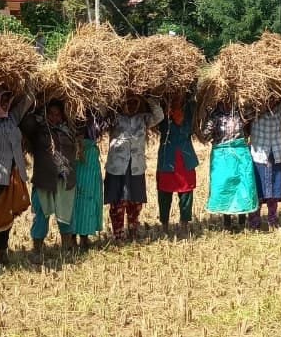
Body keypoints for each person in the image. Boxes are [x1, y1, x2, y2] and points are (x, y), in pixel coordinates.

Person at [0, 88, 32, 265]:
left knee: (8, 216)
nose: (6, 104)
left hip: (13, 175)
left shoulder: (12, 119)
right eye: (2, 100)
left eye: (8, 101)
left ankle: (4, 252)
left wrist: (29, 81)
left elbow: (27, 100)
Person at [21, 99, 79, 262]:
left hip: (65, 180)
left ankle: (67, 249)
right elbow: (25, 123)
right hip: (44, 180)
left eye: (57, 114)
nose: (54, 118)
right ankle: (37, 250)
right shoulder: (38, 130)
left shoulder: (68, 130)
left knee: (67, 214)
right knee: (41, 215)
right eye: (50, 114)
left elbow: (83, 121)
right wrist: (38, 105)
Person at [105, 95, 164, 242]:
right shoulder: (114, 118)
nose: (131, 106)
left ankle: (133, 232)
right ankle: (118, 235)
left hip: (136, 167)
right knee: (117, 202)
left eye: (134, 102)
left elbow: (160, 116)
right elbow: (101, 113)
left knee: (135, 202)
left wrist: (148, 97)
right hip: (117, 167)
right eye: (128, 102)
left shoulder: (143, 119)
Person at [201, 99, 257, 229]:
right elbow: (205, 136)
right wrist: (211, 121)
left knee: (243, 185)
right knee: (224, 186)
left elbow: (255, 114)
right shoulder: (214, 114)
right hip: (222, 156)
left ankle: (242, 222)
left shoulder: (240, 111)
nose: (226, 101)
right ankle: (227, 223)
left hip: (240, 154)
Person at [248, 94, 281, 230]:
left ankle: (272, 220)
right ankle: (254, 222)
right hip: (259, 157)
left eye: (273, 99)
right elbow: (244, 109)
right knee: (258, 191)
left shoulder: (279, 111)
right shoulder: (254, 113)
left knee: (274, 192)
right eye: (268, 99)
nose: (271, 102)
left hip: (276, 155)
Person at [156, 92, 197, 236]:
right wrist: (165, 113)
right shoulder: (162, 110)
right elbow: (156, 125)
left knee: (186, 193)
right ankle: (164, 226)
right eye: (174, 95)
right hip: (167, 158)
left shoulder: (190, 108)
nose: (176, 97)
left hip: (185, 159)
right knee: (164, 193)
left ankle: (184, 225)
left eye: (179, 95)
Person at [70, 117, 103, 250]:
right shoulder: (70, 115)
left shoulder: (95, 117)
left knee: (89, 199)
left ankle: (84, 236)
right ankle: (72, 237)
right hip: (76, 159)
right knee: (74, 199)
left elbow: (102, 127)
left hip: (90, 161)